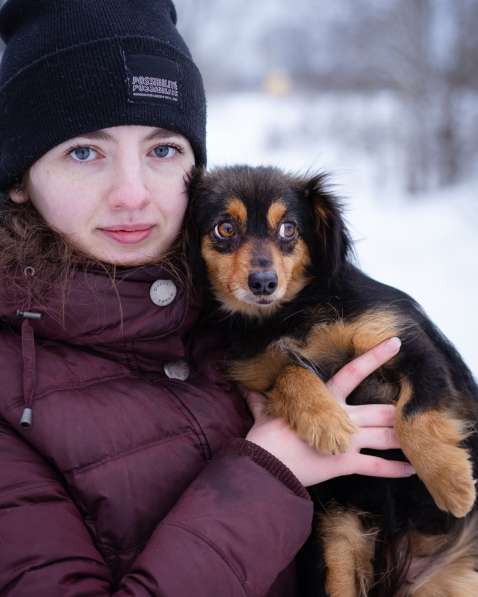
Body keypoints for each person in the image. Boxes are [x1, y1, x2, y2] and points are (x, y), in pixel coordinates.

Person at [0, 1, 414, 595]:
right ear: (18, 179)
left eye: (163, 149)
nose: (132, 194)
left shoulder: (239, 316)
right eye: (84, 152)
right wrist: (269, 474)